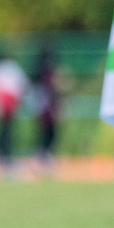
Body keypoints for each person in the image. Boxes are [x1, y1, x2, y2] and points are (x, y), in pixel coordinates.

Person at [0, 51, 28, 176]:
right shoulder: (12, 68)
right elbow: (21, 86)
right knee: (7, 132)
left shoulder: (0, 69)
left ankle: (2, 156)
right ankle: (4, 157)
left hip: (4, 105)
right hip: (9, 104)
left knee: (3, 132)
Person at [30, 45, 64, 174]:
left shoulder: (40, 76)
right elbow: (52, 93)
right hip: (47, 111)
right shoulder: (48, 76)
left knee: (46, 135)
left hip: (44, 111)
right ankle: (43, 161)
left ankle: (43, 160)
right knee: (48, 136)